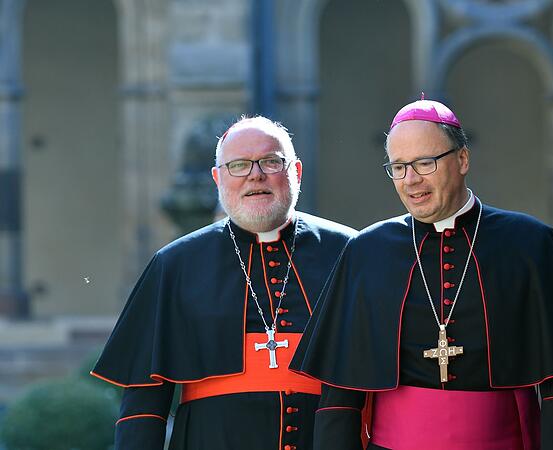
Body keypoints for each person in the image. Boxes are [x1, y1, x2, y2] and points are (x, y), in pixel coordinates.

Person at [290, 99, 553, 450]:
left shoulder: (529, 245)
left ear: (462, 160)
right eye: (398, 167)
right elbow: (340, 397)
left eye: (425, 163)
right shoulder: (366, 252)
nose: (411, 180)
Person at [92, 116, 356, 450]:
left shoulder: (348, 253)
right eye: (239, 165)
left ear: (296, 172)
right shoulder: (175, 265)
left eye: (271, 162)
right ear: (218, 178)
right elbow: (143, 406)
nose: (255, 174)